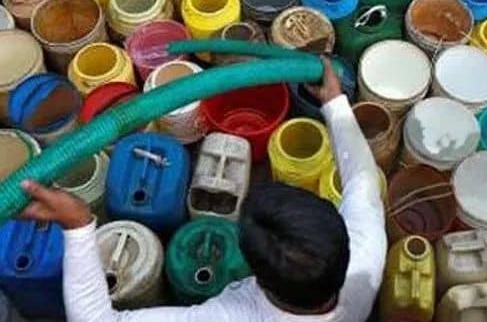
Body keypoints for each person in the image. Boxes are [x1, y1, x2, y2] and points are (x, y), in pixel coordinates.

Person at [19, 57, 386, 322]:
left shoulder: (229, 314)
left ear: (255, 274)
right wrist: (336, 105)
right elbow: (363, 182)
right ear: (341, 237)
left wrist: (80, 224)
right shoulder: (366, 255)